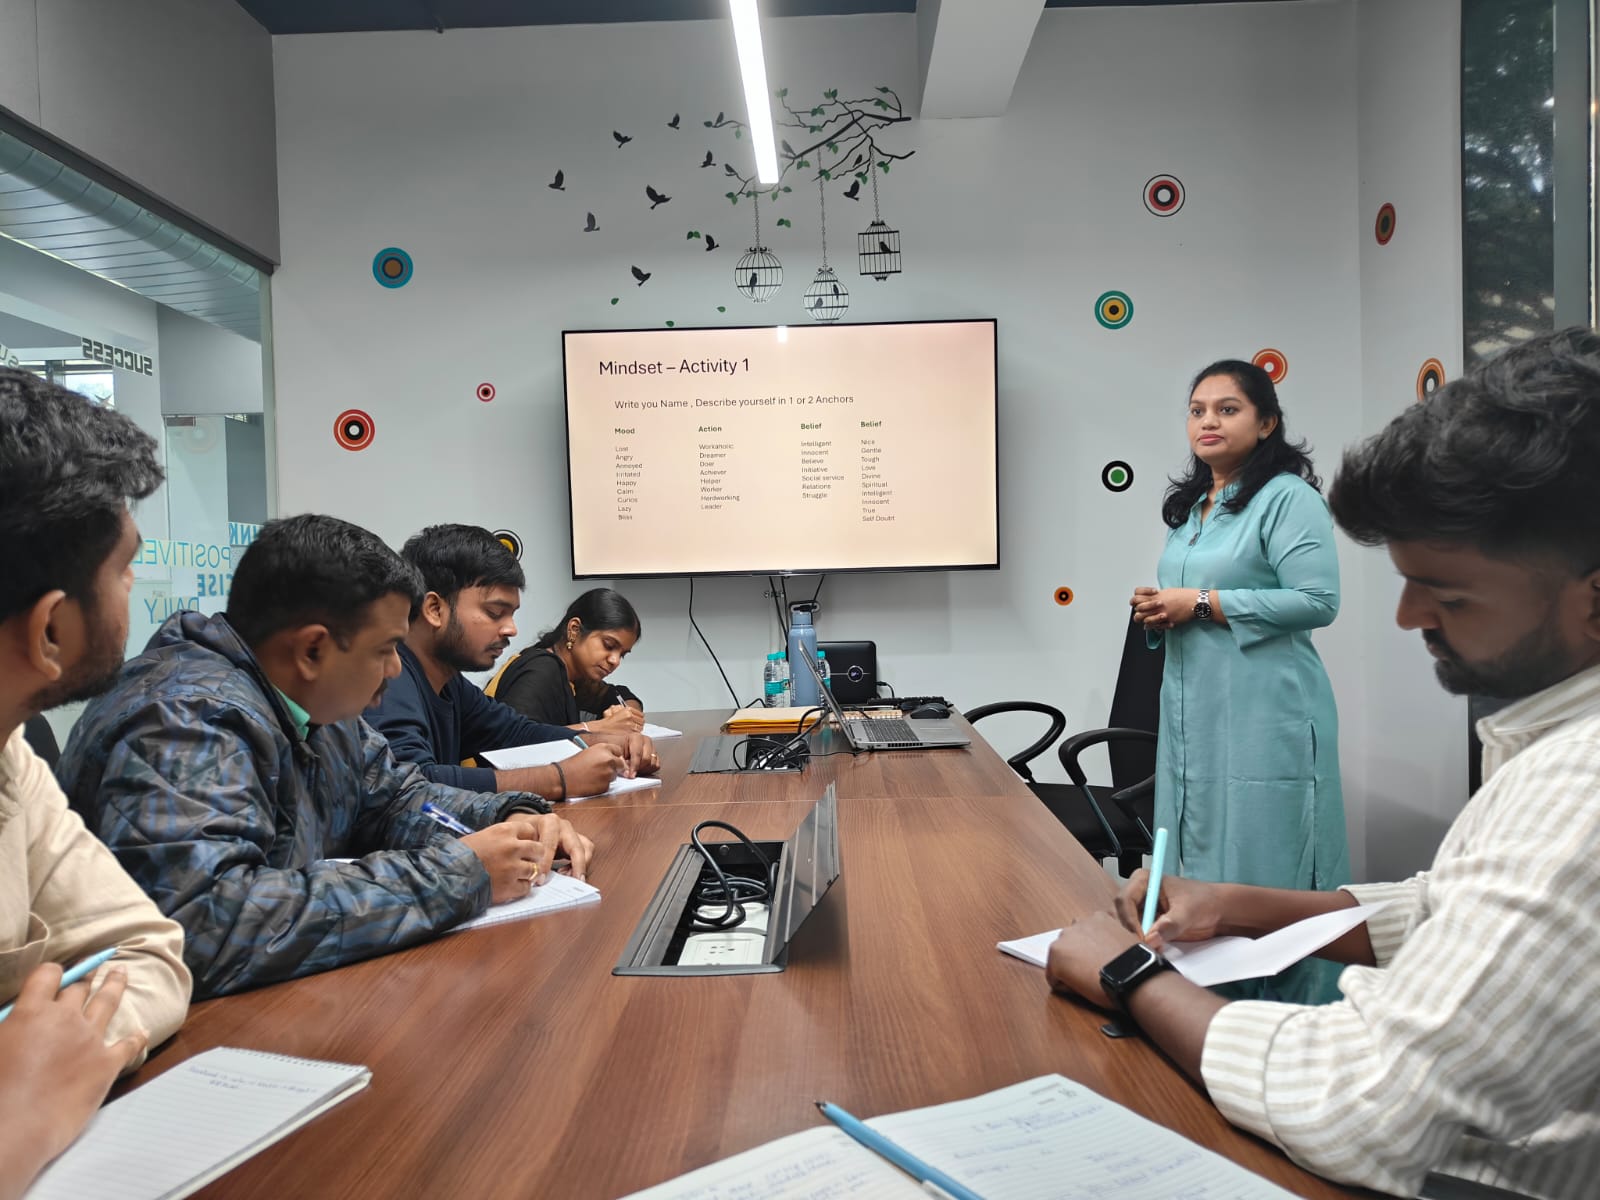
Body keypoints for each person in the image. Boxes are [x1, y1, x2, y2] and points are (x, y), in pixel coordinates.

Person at [1048, 327, 1600, 1199]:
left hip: (1457, 1175)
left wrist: (1129, 975)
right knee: (1214, 857)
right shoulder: (1544, 750)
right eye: (1197, 410)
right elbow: (1447, 908)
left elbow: (1361, 1107)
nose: (1408, 616)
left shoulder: (1576, 787)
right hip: (1198, 704)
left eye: (1448, 593)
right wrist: (1241, 906)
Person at [58, 514, 592, 1000]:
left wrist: (510, 817)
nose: (395, 670)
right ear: (313, 649)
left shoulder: (322, 709)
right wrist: (460, 874)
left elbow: (400, 801)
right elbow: (208, 925)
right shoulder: (186, 720)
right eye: (384, 650)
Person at [0, 368, 191, 1198]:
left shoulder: (11, 753)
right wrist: (16, 1116)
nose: (134, 592)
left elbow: (148, 952)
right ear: (52, 628)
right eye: (126, 570)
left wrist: (54, 1051)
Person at [1129, 359, 1345, 1004]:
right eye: (1198, 410)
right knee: (1194, 850)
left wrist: (1198, 602)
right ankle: (1200, 1007)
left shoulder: (1287, 497)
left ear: (1267, 422)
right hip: (1192, 711)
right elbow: (1195, 599)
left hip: (1265, 712)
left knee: (1264, 860)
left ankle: (1283, 1014)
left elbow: (1317, 602)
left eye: (1228, 409)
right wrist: (1159, 610)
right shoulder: (1193, 508)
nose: (1209, 421)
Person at [367, 527, 657, 801]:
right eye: (495, 613)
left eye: (512, 614)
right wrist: (559, 778)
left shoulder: (449, 683)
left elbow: (517, 733)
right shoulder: (388, 681)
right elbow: (411, 787)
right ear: (434, 609)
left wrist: (606, 741)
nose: (511, 629)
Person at [489, 588, 647, 735]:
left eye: (622, 654)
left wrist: (628, 714)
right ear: (574, 630)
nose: (615, 661)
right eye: (609, 645)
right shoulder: (542, 670)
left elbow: (617, 694)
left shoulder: (574, 676)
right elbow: (517, 739)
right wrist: (599, 727)